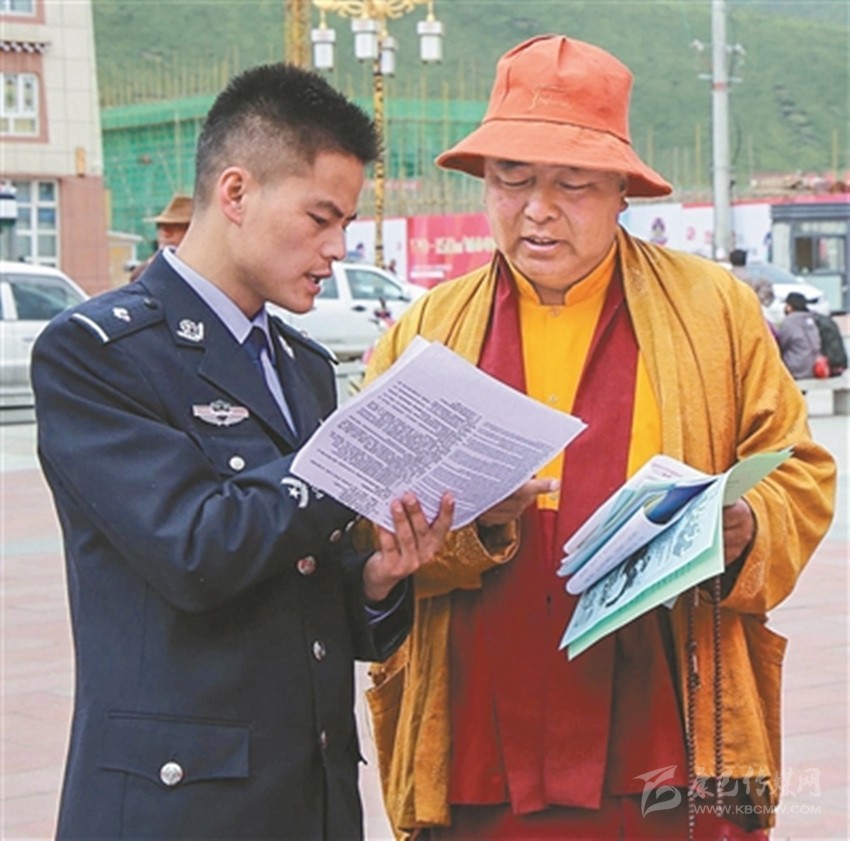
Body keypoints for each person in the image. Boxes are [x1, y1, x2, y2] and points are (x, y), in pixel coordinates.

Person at [362, 35, 835, 840]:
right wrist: (467, 525)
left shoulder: (711, 310)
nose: (538, 209)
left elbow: (800, 469)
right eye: (512, 178)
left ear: (622, 191)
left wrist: (745, 527)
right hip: (479, 718)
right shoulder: (428, 329)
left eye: (573, 182)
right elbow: (368, 518)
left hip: (664, 711)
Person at [31, 63, 454, 840]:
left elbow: (304, 584)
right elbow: (195, 549)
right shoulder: (99, 353)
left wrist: (377, 576)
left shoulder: (303, 366)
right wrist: (358, 456)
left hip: (308, 798)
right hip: (177, 807)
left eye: (346, 225)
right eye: (320, 217)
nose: (337, 249)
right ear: (235, 193)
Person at [128, 193, 193, 282]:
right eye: (160, 227)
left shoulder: (205, 272)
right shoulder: (143, 272)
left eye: (175, 227)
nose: (165, 233)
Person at [778, 291, 823, 378]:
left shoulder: (788, 322)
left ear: (789, 307)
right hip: (815, 367)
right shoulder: (813, 318)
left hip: (796, 369)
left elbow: (781, 344)